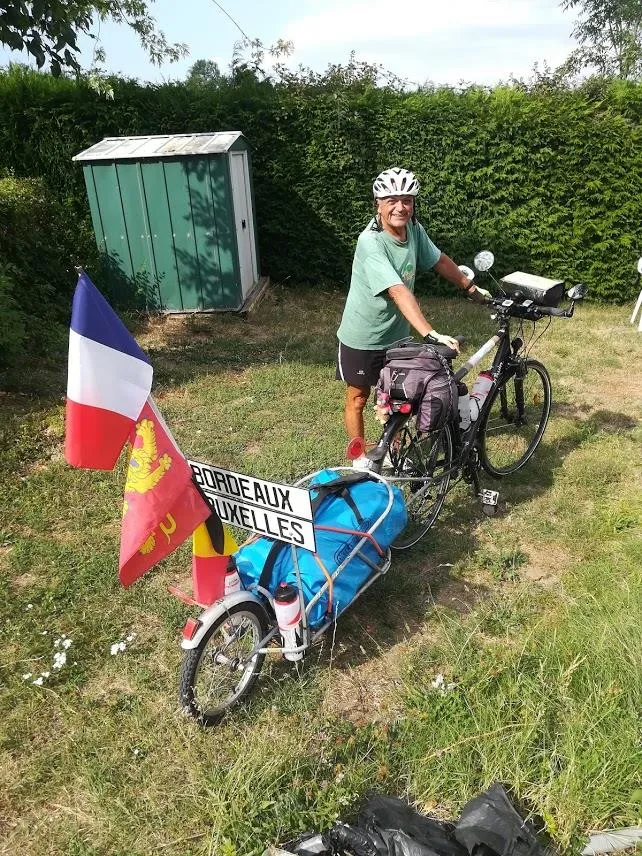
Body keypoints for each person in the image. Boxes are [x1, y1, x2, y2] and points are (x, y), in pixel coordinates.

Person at [336, 167, 490, 462]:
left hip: (396, 335)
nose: (400, 207)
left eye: (406, 200)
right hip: (363, 336)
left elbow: (439, 260)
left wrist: (470, 287)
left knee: (400, 395)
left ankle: (393, 450)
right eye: (391, 199)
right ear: (378, 203)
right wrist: (429, 332)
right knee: (358, 398)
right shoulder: (370, 242)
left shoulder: (414, 230)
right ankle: (360, 458)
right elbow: (398, 291)